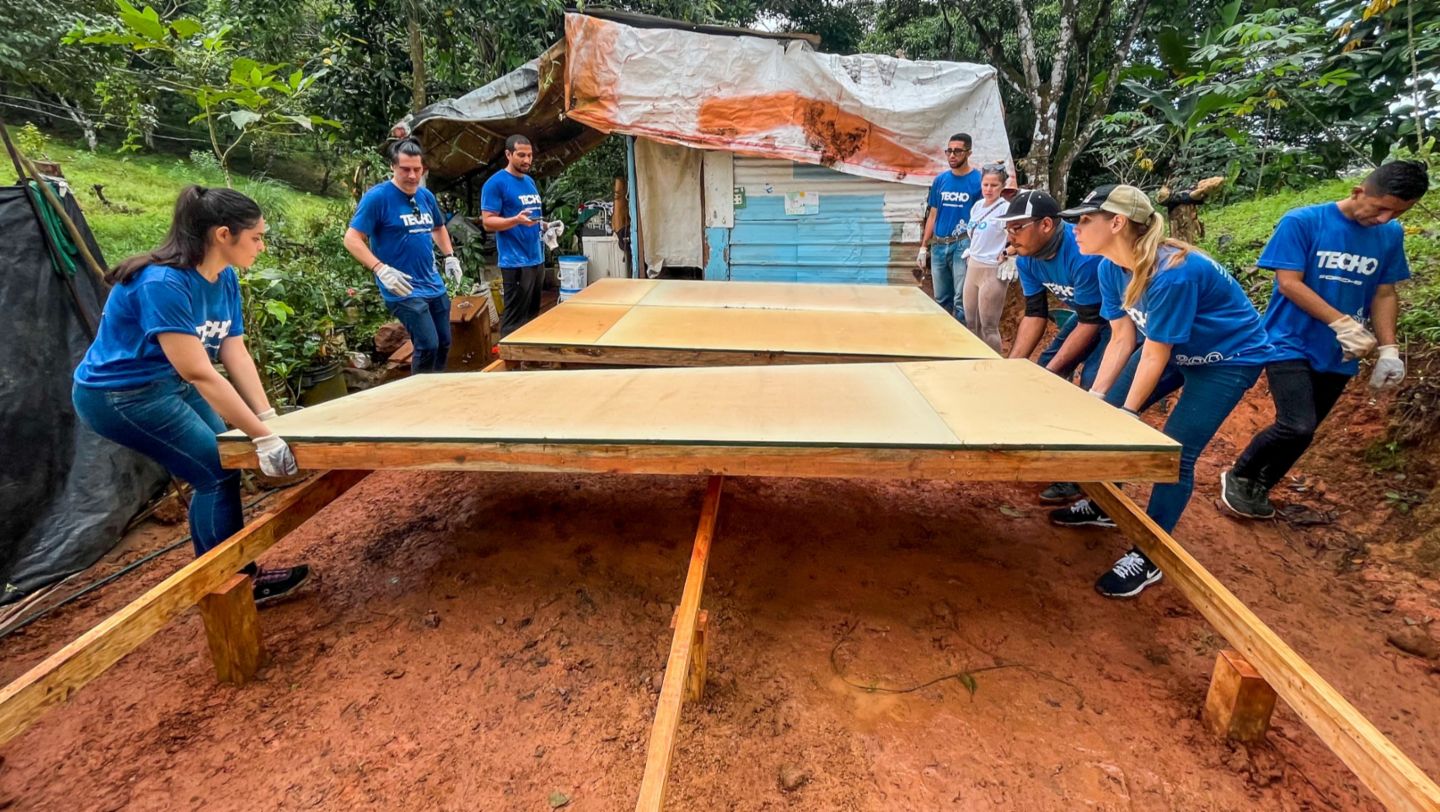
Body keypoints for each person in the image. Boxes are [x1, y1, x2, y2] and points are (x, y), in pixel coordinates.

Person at [72, 186, 309, 605]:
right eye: (255, 237)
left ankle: (228, 575)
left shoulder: (224, 277)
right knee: (215, 471)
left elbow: (232, 349)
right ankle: (230, 585)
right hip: (120, 395)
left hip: (169, 384)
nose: (262, 245)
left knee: (225, 461)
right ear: (223, 235)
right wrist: (262, 438)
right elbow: (199, 371)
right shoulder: (163, 283)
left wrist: (267, 417)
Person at [1049, 184, 1272, 598]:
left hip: (1225, 360)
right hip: (1168, 347)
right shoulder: (1108, 268)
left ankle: (1150, 554)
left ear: (1117, 223)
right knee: (1109, 416)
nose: (1074, 229)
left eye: (1084, 220)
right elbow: (1121, 338)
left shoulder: (1173, 274)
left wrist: (1129, 413)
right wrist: (1098, 400)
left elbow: (1155, 352)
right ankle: (1105, 504)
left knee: (1173, 454)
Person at [1220, 161, 1430, 519]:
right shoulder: (1304, 221)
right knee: (1296, 423)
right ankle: (1239, 475)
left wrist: (1389, 350)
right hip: (1289, 339)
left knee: (1308, 430)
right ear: (1358, 192)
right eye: (1380, 208)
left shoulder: (1390, 234)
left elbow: (1384, 293)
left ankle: (1261, 486)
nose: (1383, 219)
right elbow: (1289, 282)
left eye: (1396, 213)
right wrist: (1342, 323)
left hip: (1341, 350)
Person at [998, 189, 1113, 504]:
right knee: (1045, 372)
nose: (1011, 236)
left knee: (1093, 387)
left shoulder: (1083, 257)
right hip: (1086, 316)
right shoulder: (1027, 258)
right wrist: (1012, 368)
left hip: (1116, 324)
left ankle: (1080, 480)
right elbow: (1035, 314)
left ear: (1046, 225)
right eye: (1007, 228)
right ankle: (1051, 454)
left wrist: (1048, 374)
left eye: (1017, 227)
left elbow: (1093, 322)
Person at [344, 138, 460, 374]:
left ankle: (437, 389)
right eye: (405, 169)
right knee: (428, 344)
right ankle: (419, 396)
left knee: (444, 342)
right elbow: (352, 238)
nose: (412, 176)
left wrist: (449, 256)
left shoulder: (425, 196)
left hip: (432, 283)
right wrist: (380, 269)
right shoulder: (378, 198)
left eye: (417, 170)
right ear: (392, 167)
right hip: (402, 286)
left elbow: (438, 227)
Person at [482, 135, 546, 337]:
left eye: (530, 155)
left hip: (536, 257)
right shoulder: (496, 183)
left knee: (532, 314)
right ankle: (509, 362)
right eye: (521, 155)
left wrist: (545, 226)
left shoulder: (529, 182)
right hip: (515, 261)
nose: (527, 160)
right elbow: (488, 222)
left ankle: (528, 358)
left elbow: (531, 217)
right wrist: (515, 221)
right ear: (508, 154)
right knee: (515, 316)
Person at [918, 133, 982, 322]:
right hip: (939, 243)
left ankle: (961, 341)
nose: (952, 155)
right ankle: (941, 339)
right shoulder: (940, 180)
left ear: (968, 153)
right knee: (940, 298)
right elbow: (933, 214)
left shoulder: (978, 181)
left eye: (957, 151)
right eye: (949, 151)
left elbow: (981, 217)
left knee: (961, 299)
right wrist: (923, 247)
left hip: (962, 243)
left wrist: (975, 247)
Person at [960, 164, 1012, 353]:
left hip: (991, 269)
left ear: (1002, 186)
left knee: (988, 326)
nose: (989, 189)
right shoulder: (977, 206)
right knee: (971, 323)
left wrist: (1009, 252)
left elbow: (1018, 236)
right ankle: (974, 360)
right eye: (986, 185)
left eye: (994, 185)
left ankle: (994, 364)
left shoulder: (1006, 209)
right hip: (973, 265)